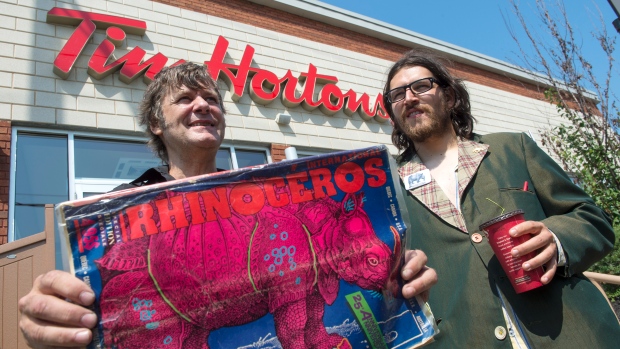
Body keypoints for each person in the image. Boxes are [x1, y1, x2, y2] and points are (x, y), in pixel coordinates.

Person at [18, 62, 437, 348]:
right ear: (155, 124)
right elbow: (79, 308)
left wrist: (401, 273)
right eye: (185, 99)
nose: (202, 105)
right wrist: (56, 322)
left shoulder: (266, 191)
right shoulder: (123, 214)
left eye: (212, 99)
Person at [383, 49, 620, 348]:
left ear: (450, 96)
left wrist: (557, 239)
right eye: (397, 95)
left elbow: (593, 218)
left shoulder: (513, 148)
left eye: (421, 86)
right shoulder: (387, 187)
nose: (409, 98)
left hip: (574, 336)